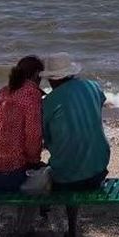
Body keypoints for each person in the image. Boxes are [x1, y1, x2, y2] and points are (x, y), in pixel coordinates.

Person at [0, 55, 45, 190]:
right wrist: (34, 162)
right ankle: (41, 211)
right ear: (37, 74)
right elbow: (33, 135)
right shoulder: (31, 94)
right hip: (10, 176)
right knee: (45, 174)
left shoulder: (1, 93)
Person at [40, 53, 109, 192]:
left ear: (52, 79)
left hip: (66, 178)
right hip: (99, 169)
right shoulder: (93, 87)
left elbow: (46, 138)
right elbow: (100, 102)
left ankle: (44, 212)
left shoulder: (49, 101)